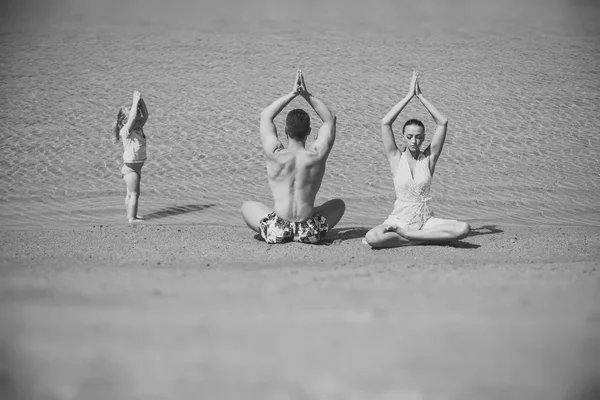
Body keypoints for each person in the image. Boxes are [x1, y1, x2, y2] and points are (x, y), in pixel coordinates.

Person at [364, 71, 470, 248]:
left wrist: (420, 96)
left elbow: (442, 122)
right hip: (400, 220)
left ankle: (410, 237)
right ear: (403, 137)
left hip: (426, 221)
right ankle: (424, 238)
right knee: (372, 237)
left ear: (423, 138)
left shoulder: (428, 159)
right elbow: (385, 123)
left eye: (419, 137)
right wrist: (408, 96)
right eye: (410, 136)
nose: (415, 141)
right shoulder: (395, 158)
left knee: (464, 228)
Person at [241, 70, 345, 244]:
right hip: (310, 232)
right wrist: (305, 94)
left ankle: (283, 228)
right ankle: (305, 222)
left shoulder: (275, 153)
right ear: (309, 132)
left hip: (278, 231)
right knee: (339, 204)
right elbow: (330, 119)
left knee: (246, 206)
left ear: (285, 131)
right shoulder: (317, 155)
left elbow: (266, 116)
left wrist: (291, 94)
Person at [112, 90, 149, 223]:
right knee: (134, 194)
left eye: (139, 121)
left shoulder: (138, 129)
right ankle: (132, 218)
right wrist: (134, 102)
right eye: (135, 121)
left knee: (130, 193)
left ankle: (130, 215)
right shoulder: (126, 132)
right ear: (124, 123)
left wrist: (140, 101)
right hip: (130, 169)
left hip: (135, 169)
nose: (139, 122)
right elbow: (132, 118)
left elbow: (145, 116)